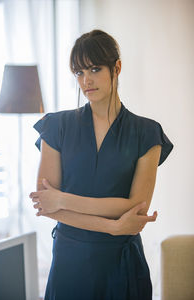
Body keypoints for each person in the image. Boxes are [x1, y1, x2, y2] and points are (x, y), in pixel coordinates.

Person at [29, 29, 173, 300]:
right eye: (79, 73)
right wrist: (113, 226)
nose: (86, 81)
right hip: (69, 264)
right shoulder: (56, 126)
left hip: (122, 265)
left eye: (94, 69)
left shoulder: (147, 133)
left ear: (116, 68)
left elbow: (136, 206)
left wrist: (61, 199)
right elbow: (46, 207)